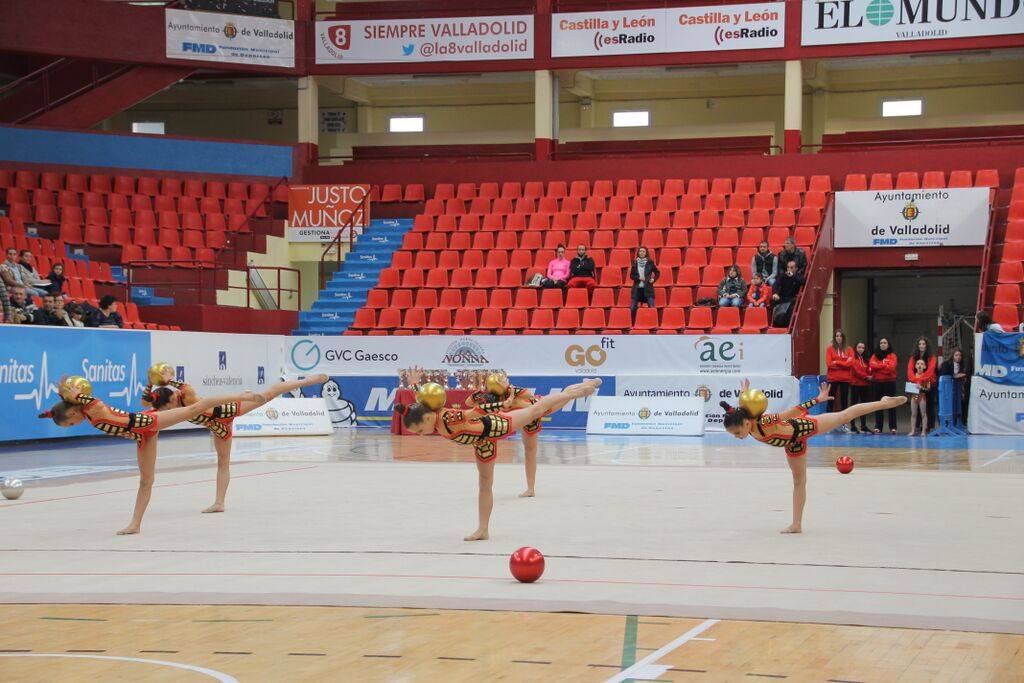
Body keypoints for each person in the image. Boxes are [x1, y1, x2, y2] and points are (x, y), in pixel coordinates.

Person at [396, 368, 601, 541]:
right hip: (482, 443)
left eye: (422, 430)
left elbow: (475, 411)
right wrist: (414, 384)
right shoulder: (425, 410)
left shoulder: (449, 418)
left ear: (429, 416)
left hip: (494, 426)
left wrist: (499, 406)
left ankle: (576, 393)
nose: (423, 435)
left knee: (536, 409)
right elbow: (418, 399)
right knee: (484, 484)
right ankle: (483, 529)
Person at [39, 380, 258, 535]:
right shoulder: (85, 413)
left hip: (148, 423)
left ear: (74, 412)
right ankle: (135, 524)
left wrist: (72, 392)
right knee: (146, 481)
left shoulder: (93, 408)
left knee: (196, 408)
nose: (73, 426)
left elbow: (81, 398)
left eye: (69, 423)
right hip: (141, 436)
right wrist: (53, 410)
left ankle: (241, 396)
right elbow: (68, 403)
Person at [722, 378, 906, 534]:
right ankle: (797, 524)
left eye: (738, 433)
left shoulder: (765, 421)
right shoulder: (742, 416)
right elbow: (742, 405)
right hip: (792, 443)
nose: (738, 437)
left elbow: (791, 412)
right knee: (799, 481)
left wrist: (818, 399)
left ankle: (884, 402)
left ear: (747, 423)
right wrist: (744, 390)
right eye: (734, 435)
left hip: (802, 427)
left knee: (844, 416)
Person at [145, 370, 329, 515]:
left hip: (228, 411)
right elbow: (146, 403)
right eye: (165, 409)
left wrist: (170, 380)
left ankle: (307, 381)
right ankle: (219, 503)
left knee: (270, 393)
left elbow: (185, 386)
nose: (169, 411)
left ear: (172, 398)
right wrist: (149, 383)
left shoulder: (186, 395)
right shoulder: (163, 403)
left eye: (169, 407)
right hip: (218, 428)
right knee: (222, 462)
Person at [464, 373, 541, 498]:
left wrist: (509, 389)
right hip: (512, 418)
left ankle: (530, 488)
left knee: (530, 451)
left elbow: (530, 395)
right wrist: (481, 391)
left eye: (504, 379)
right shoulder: (488, 395)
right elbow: (468, 403)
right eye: (501, 379)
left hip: (530, 414)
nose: (505, 380)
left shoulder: (512, 390)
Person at [907, 336, 936, 435]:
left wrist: (920, 380)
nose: (921, 346)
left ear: (926, 345)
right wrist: (916, 380)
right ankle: (915, 428)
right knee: (914, 410)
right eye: (920, 344)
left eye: (923, 344)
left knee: (929, 405)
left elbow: (930, 372)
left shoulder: (931, 357)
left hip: (927, 382)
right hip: (916, 384)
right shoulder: (913, 358)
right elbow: (910, 373)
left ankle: (929, 426)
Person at [869, 338, 899, 435]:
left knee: (891, 404)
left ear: (888, 344)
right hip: (878, 382)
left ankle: (893, 427)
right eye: (881, 342)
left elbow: (891, 368)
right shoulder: (874, 355)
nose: (883, 344)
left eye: (885, 342)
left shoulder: (892, 355)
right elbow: (871, 365)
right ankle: (878, 426)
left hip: (890, 382)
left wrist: (879, 367)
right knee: (878, 405)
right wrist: (884, 365)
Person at [825, 329, 853, 422]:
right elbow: (829, 364)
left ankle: (844, 423)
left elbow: (850, 364)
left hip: (845, 379)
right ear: (834, 337)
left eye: (840, 336)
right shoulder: (830, 349)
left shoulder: (849, 349)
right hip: (833, 379)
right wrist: (844, 364)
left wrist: (836, 362)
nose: (839, 338)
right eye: (837, 336)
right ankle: (828, 422)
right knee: (831, 400)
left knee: (844, 401)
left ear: (843, 338)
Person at [938, 348, 971, 425]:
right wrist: (955, 376)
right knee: (946, 407)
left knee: (957, 406)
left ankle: (956, 423)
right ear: (952, 356)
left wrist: (960, 376)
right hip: (946, 390)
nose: (958, 357)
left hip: (957, 389)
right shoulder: (946, 364)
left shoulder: (962, 365)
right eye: (956, 355)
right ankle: (945, 424)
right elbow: (945, 376)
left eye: (960, 355)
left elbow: (965, 375)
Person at [629, 246, 660, 322]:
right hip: (637, 289)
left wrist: (653, 279)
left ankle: (652, 323)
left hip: (648, 288)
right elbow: (631, 275)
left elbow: (657, 272)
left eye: (643, 251)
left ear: (646, 253)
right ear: (638, 253)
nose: (642, 253)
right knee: (633, 308)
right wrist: (639, 278)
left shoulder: (650, 262)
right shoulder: (635, 263)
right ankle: (633, 324)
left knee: (651, 308)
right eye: (640, 251)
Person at [848, 341, 872, 433]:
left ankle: (863, 425)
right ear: (855, 348)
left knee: (864, 406)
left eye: (863, 347)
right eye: (859, 347)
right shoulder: (853, 359)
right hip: (855, 385)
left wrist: (870, 375)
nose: (861, 349)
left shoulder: (866, 359)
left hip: (865, 385)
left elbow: (869, 369)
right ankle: (853, 425)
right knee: (854, 405)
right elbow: (856, 371)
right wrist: (867, 377)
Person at [771, 261, 804, 327]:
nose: (789, 269)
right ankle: (775, 323)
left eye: (791, 268)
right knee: (773, 301)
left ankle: (787, 324)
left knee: (793, 304)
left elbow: (802, 281)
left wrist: (793, 276)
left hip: (792, 298)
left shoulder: (798, 276)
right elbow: (776, 284)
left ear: (796, 268)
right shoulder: (782, 275)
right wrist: (775, 293)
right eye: (788, 267)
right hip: (782, 297)